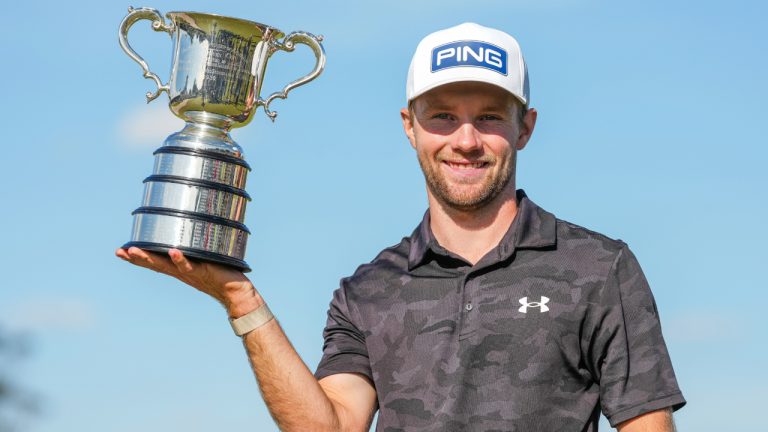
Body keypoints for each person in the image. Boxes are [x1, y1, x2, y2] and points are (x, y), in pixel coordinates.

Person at [116, 22, 686, 431]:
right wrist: (239, 298)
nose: (465, 139)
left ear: (526, 128)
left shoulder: (597, 267)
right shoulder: (368, 289)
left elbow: (646, 423)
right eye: (442, 116)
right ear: (410, 127)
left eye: (489, 116)